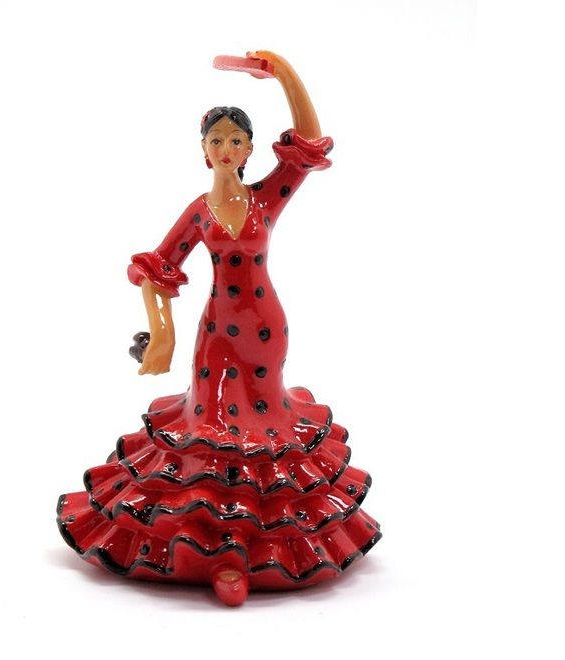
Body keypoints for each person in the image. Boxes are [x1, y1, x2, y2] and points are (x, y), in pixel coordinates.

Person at [57, 51, 381, 606]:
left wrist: (282, 73)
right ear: (203, 151)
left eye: (236, 140)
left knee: (264, 432)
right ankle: (219, 553)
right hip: (216, 335)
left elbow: (309, 144)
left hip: (264, 332)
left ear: (249, 149)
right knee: (208, 431)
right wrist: (161, 332)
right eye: (217, 140)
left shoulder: (265, 199)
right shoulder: (200, 212)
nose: (226, 148)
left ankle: (255, 551)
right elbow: (157, 270)